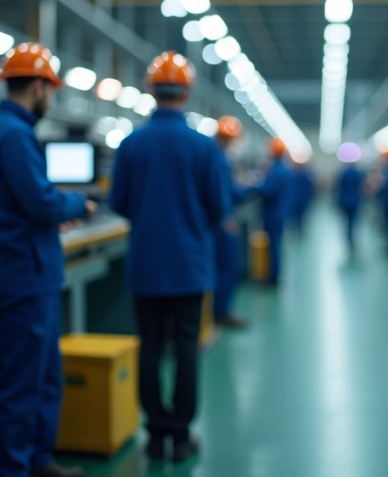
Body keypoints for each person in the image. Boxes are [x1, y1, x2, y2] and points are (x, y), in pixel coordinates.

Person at [0, 43, 95, 477]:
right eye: (52, 89)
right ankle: (13, 468)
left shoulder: (3, 131)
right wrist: (77, 205)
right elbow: (42, 202)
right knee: (22, 383)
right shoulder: (12, 134)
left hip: (30, 269)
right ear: (40, 86)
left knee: (43, 377)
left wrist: (49, 215)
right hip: (23, 273)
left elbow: (24, 203)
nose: (52, 98)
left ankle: (38, 459)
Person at [109, 51, 227, 464]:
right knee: (186, 349)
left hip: (146, 265)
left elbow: (119, 202)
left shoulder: (130, 145)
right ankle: (180, 435)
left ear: (150, 90)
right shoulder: (204, 148)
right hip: (190, 266)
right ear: (188, 92)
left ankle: (155, 434)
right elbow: (219, 207)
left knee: (150, 347)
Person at [212, 115, 250, 328]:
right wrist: (225, 217)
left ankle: (217, 309)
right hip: (221, 222)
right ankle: (221, 311)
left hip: (217, 220)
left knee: (220, 267)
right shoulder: (219, 159)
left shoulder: (218, 156)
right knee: (227, 267)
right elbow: (223, 192)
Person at [256, 138, 292, 286]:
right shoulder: (283, 169)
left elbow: (268, 190)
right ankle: (273, 274)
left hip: (272, 214)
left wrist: (253, 187)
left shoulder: (276, 171)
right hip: (279, 212)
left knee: (273, 246)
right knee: (275, 245)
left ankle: (273, 277)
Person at [336, 161, 366, 251]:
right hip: (356, 200)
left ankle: (349, 239)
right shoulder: (358, 173)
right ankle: (352, 239)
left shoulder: (343, 173)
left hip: (345, 201)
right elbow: (363, 186)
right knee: (354, 221)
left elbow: (339, 187)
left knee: (347, 221)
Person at [290, 163, 315, 235]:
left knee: (300, 216)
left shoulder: (303, 177)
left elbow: (309, 189)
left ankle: (300, 228)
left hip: (301, 200)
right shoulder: (296, 176)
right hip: (297, 199)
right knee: (296, 216)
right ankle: (297, 228)